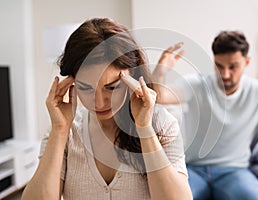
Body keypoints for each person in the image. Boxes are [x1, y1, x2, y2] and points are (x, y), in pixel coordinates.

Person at [21, 18, 192, 200]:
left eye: (111, 87)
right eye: (86, 88)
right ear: (72, 83)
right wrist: (60, 130)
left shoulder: (162, 124)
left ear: (131, 78)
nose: (99, 103)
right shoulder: (66, 131)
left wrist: (144, 128)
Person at [152, 31, 258, 200]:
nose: (225, 75)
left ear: (247, 62)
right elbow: (159, 96)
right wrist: (160, 72)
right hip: (193, 169)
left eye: (233, 67)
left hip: (234, 171)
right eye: (219, 66)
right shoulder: (196, 84)